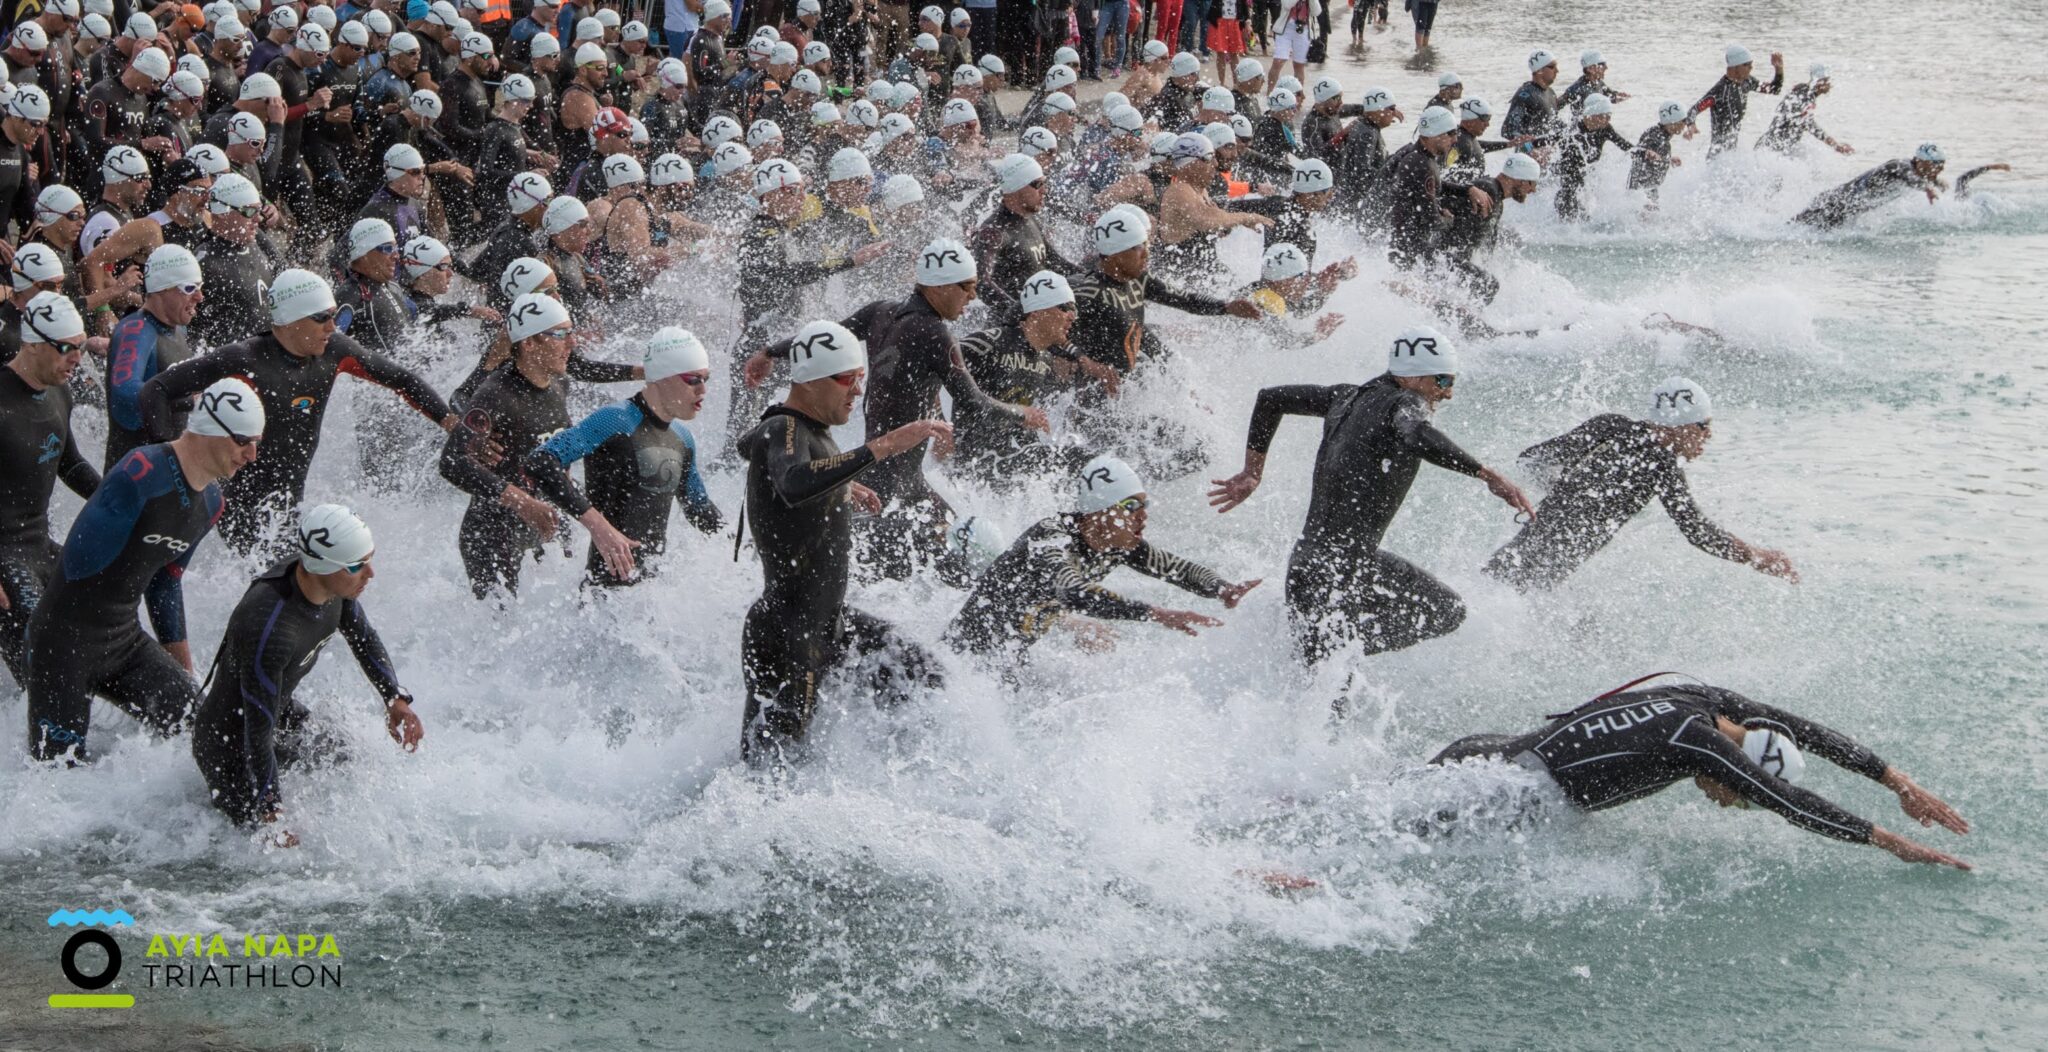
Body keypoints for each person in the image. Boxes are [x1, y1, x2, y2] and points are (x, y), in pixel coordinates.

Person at [1208, 327, 1534, 664]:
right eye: (1443, 381)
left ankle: (1331, 648)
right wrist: (1485, 473)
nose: (1447, 394)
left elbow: (1271, 399)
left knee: (1318, 686)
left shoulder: (1345, 397)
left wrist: (1252, 472)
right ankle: (1338, 647)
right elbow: (1416, 433)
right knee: (1446, 611)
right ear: (1414, 377)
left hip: (1307, 563)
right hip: (1345, 568)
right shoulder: (1405, 403)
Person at [1427, 675, 1970, 870]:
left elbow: (1797, 727)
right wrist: (1891, 842)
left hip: (1478, 754)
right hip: (1491, 797)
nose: (1729, 806)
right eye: (1740, 798)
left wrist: (1895, 780)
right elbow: (1789, 800)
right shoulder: (1699, 744)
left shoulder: (1701, 699)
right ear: (1737, 774)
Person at [745, 238, 1049, 581]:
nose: (973, 297)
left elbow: (822, 340)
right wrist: (1022, 413)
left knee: (954, 561)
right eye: (968, 287)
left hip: (898, 479)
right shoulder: (936, 334)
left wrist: (770, 352)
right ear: (940, 286)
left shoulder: (880, 312)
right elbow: (974, 402)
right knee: (944, 568)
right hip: (888, 484)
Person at [734, 318, 951, 766]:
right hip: (788, 632)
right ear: (811, 381)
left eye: (861, 379)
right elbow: (792, 481)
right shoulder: (786, 428)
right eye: (849, 379)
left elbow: (748, 445)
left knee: (923, 674)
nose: (858, 391)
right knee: (772, 770)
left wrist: (839, 486)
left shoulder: (799, 431)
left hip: (827, 622)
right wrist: (883, 446)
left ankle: (898, 782)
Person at [26, 376, 264, 763]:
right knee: (59, 776)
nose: (251, 455)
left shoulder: (212, 504)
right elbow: (76, 561)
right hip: (62, 642)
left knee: (207, 736)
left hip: (124, 643)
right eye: (243, 441)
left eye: (257, 443)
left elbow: (165, 586)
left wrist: (182, 673)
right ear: (210, 430)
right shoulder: (141, 471)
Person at [137, 269, 455, 555]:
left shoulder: (335, 351)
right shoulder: (244, 359)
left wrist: (450, 421)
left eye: (332, 315)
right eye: (321, 317)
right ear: (289, 322)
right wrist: (172, 470)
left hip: (289, 505)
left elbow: (401, 378)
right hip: (239, 508)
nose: (332, 326)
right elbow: (156, 390)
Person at [191, 504, 423, 844]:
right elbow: (256, 733)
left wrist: (395, 698)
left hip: (275, 713)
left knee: (348, 761)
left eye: (369, 559)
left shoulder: (332, 587)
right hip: (229, 744)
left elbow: (364, 638)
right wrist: (273, 814)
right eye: (357, 565)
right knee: (261, 849)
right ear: (321, 567)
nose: (370, 573)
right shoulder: (269, 628)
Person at [1483, 377, 1798, 591]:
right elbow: (1698, 531)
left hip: (1516, 564)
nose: (1708, 436)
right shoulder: (1662, 464)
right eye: (1703, 426)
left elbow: (1532, 459)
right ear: (1680, 425)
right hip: (1533, 581)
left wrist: (1561, 488)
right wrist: (1758, 557)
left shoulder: (1611, 426)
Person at [946, 454, 1259, 661]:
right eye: (1132, 508)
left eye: (1144, 506)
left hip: (1005, 662)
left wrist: (1222, 588)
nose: (1143, 517)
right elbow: (1075, 592)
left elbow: (1177, 568)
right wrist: (1156, 613)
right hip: (960, 664)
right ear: (1099, 513)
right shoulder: (1051, 539)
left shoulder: (1116, 544)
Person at [524, 327, 725, 588]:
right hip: (602, 596)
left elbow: (699, 509)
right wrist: (598, 527)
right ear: (662, 377)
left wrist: (743, 548)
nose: (703, 390)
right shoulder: (614, 420)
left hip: (649, 599)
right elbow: (540, 462)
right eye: (693, 379)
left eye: (706, 379)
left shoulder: (682, 438)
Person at [438, 293, 579, 599]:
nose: (573, 343)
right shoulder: (495, 396)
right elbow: (451, 462)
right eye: (561, 334)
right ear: (528, 343)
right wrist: (522, 502)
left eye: (571, 332)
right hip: (494, 534)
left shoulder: (559, 384)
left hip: (545, 522)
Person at [0, 294, 99, 688]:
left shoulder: (60, 391)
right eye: (67, 348)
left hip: (39, 546)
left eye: (81, 345)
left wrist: (122, 502)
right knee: (43, 671)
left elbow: (70, 463)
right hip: (4, 560)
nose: (77, 358)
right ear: (33, 344)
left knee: (102, 620)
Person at [952, 270, 1083, 484]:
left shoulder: (1045, 360)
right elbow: (933, 362)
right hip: (969, 466)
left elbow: (1020, 419)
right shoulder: (990, 343)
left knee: (1072, 462)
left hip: (1001, 463)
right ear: (1037, 312)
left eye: (1074, 310)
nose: (1072, 316)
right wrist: (938, 426)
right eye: (1065, 307)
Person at [103, 244, 205, 469]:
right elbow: (124, 393)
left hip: (169, 470)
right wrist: (189, 402)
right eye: (189, 288)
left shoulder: (177, 329)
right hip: (134, 478)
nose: (200, 296)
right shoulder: (135, 331)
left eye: (200, 286)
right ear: (162, 289)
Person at [1794, 143, 1948, 229]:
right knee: (1792, 229)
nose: (1940, 169)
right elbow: (1908, 176)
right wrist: (1927, 188)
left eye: (1942, 165)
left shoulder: (1920, 173)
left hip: (1846, 210)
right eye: (1936, 165)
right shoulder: (1899, 166)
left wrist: (1935, 182)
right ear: (1920, 162)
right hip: (1833, 203)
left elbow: (1917, 178)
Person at [1688, 44, 1784, 158]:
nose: (1751, 68)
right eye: (1747, 65)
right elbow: (1694, 110)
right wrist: (1691, 125)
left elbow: (1774, 89)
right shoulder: (1720, 91)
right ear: (1734, 67)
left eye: (1751, 64)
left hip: (1732, 155)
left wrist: (1779, 70)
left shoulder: (1747, 82)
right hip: (1717, 157)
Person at [1551, 94, 1636, 220]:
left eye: (1609, 115)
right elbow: (1548, 140)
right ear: (1593, 115)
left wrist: (1646, 153)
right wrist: (1530, 147)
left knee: (1587, 218)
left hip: (1585, 184)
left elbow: (1625, 146)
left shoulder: (1605, 129)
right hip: (1567, 189)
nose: (1608, 119)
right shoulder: (1573, 131)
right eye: (1605, 116)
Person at [1756, 62, 1853, 157]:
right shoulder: (1805, 96)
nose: (1830, 84)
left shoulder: (1804, 92)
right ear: (1820, 82)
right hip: (1773, 149)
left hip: (1772, 147)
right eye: (1827, 80)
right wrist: (1835, 145)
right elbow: (1808, 124)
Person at [1628, 101, 1689, 208]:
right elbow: (1637, 150)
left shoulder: (1659, 134)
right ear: (1673, 121)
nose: (1685, 124)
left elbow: (1655, 153)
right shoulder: (1656, 136)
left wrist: (1668, 159)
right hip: (1641, 190)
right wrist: (1647, 151)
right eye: (1684, 120)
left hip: (1648, 187)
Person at [1502, 49, 1562, 153]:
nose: (1557, 71)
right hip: (1528, 160)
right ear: (1539, 71)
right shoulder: (1525, 95)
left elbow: (1554, 123)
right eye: (1552, 67)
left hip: (1548, 157)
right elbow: (1508, 130)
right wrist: (1531, 150)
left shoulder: (1551, 93)